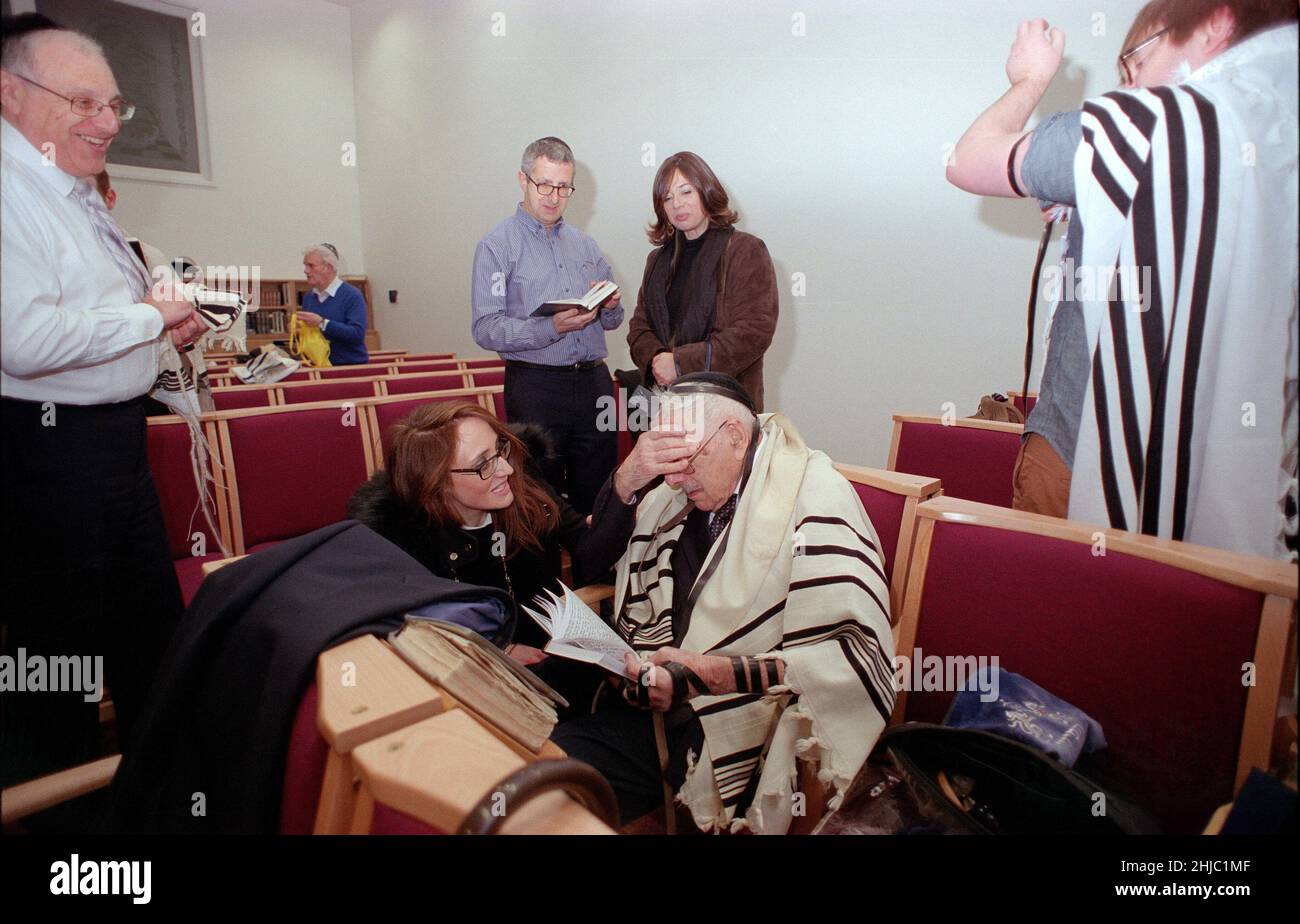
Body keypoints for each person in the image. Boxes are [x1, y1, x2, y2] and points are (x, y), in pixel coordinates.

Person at [946, 2, 1297, 559]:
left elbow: (966, 160)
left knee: (1061, 621)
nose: (1126, 86)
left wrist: (1030, 78)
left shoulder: (1138, 125)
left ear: (1216, 24)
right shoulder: (1281, 138)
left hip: (1085, 454)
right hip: (1245, 484)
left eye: (1135, 61)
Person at [0, 16, 206, 795]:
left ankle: (154, 806)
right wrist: (152, 318)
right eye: (82, 100)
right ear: (10, 93)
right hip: (51, 456)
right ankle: (65, 837)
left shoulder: (73, 191)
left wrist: (160, 334)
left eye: (114, 104)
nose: (107, 121)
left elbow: (96, 323)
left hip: (113, 447)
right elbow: (22, 340)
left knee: (147, 640)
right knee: (59, 668)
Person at [551, 373, 896, 833]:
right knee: (540, 739)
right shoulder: (672, 493)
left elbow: (854, 652)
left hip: (743, 712)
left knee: (553, 774)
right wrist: (631, 474)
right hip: (650, 695)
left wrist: (710, 674)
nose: (672, 478)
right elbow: (592, 566)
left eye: (685, 460)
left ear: (734, 435)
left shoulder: (814, 492)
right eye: (665, 461)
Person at [347, 400, 629, 714]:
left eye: (500, 450)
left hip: (552, 662)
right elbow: (413, 639)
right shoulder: (399, 539)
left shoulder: (523, 488)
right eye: (484, 464)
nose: (506, 469)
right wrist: (497, 651)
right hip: (464, 688)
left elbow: (589, 548)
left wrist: (627, 484)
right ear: (437, 484)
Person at [471, 136, 624, 515]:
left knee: (601, 493)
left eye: (563, 188)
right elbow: (486, 327)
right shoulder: (496, 246)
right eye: (544, 185)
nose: (554, 197)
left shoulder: (586, 245)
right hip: (536, 385)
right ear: (522, 180)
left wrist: (611, 306)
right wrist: (551, 327)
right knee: (538, 499)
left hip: (593, 383)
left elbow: (614, 320)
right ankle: (544, 577)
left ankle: (596, 574)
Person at [627, 152, 779, 411]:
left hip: (726, 408)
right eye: (668, 197)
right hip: (663, 407)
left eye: (686, 192)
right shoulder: (657, 260)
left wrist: (680, 363)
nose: (677, 204)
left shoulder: (744, 250)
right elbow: (638, 328)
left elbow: (753, 332)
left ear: (706, 191)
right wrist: (657, 361)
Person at [296, 242, 369, 365]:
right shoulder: (309, 297)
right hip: (318, 367)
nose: (305, 270)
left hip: (349, 368)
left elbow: (357, 334)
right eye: (305, 265)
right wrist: (299, 330)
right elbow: (312, 336)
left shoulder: (352, 295)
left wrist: (322, 323)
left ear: (328, 267)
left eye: (311, 266)